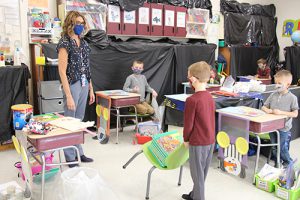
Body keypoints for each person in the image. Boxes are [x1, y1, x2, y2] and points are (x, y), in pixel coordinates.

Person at [57, 11, 94, 167]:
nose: (81, 26)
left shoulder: (84, 43)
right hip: (72, 85)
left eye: (82, 23)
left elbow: (87, 68)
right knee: (69, 122)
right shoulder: (65, 43)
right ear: (70, 23)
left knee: (78, 122)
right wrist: (69, 95)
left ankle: (79, 152)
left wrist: (91, 89)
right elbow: (62, 71)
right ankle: (70, 157)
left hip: (84, 84)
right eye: (77, 23)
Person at [182, 61, 215, 200]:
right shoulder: (210, 96)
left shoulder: (192, 100)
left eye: (189, 77)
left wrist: (186, 139)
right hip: (210, 140)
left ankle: (198, 197)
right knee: (202, 174)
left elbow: (188, 124)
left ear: (193, 79)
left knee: (197, 175)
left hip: (197, 142)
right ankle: (195, 195)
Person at [262, 70, 299, 167]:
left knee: (281, 147)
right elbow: (264, 106)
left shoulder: (292, 98)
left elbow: (295, 114)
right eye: (276, 83)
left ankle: (289, 163)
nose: (277, 85)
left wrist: (281, 112)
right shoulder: (273, 95)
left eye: (279, 83)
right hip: (272, 126)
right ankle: (278, 162)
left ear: (288, 84)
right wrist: (267, 110)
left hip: (284, 128)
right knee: (274, 147)